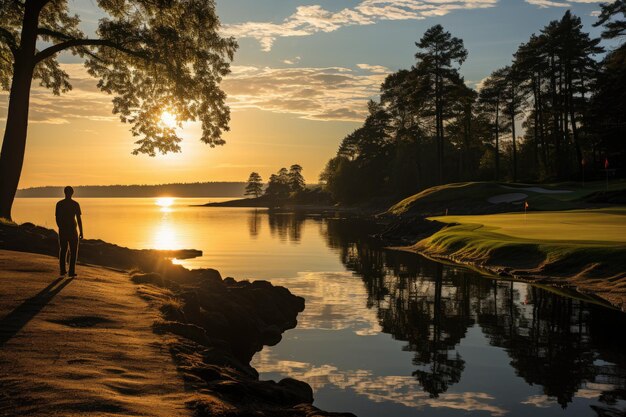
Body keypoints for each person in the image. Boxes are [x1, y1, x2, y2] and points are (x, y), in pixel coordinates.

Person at [55, 186, 83, 277]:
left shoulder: (60, 203)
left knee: (64, 250)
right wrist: (81, 231)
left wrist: (60, 227)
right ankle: (70, 271)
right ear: (72, 193)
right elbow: (78, 219)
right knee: (72, 251)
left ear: (65, 192)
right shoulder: (75, 204)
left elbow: (57, 218)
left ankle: (63, 270)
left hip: (65, 229)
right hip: (71, 230)